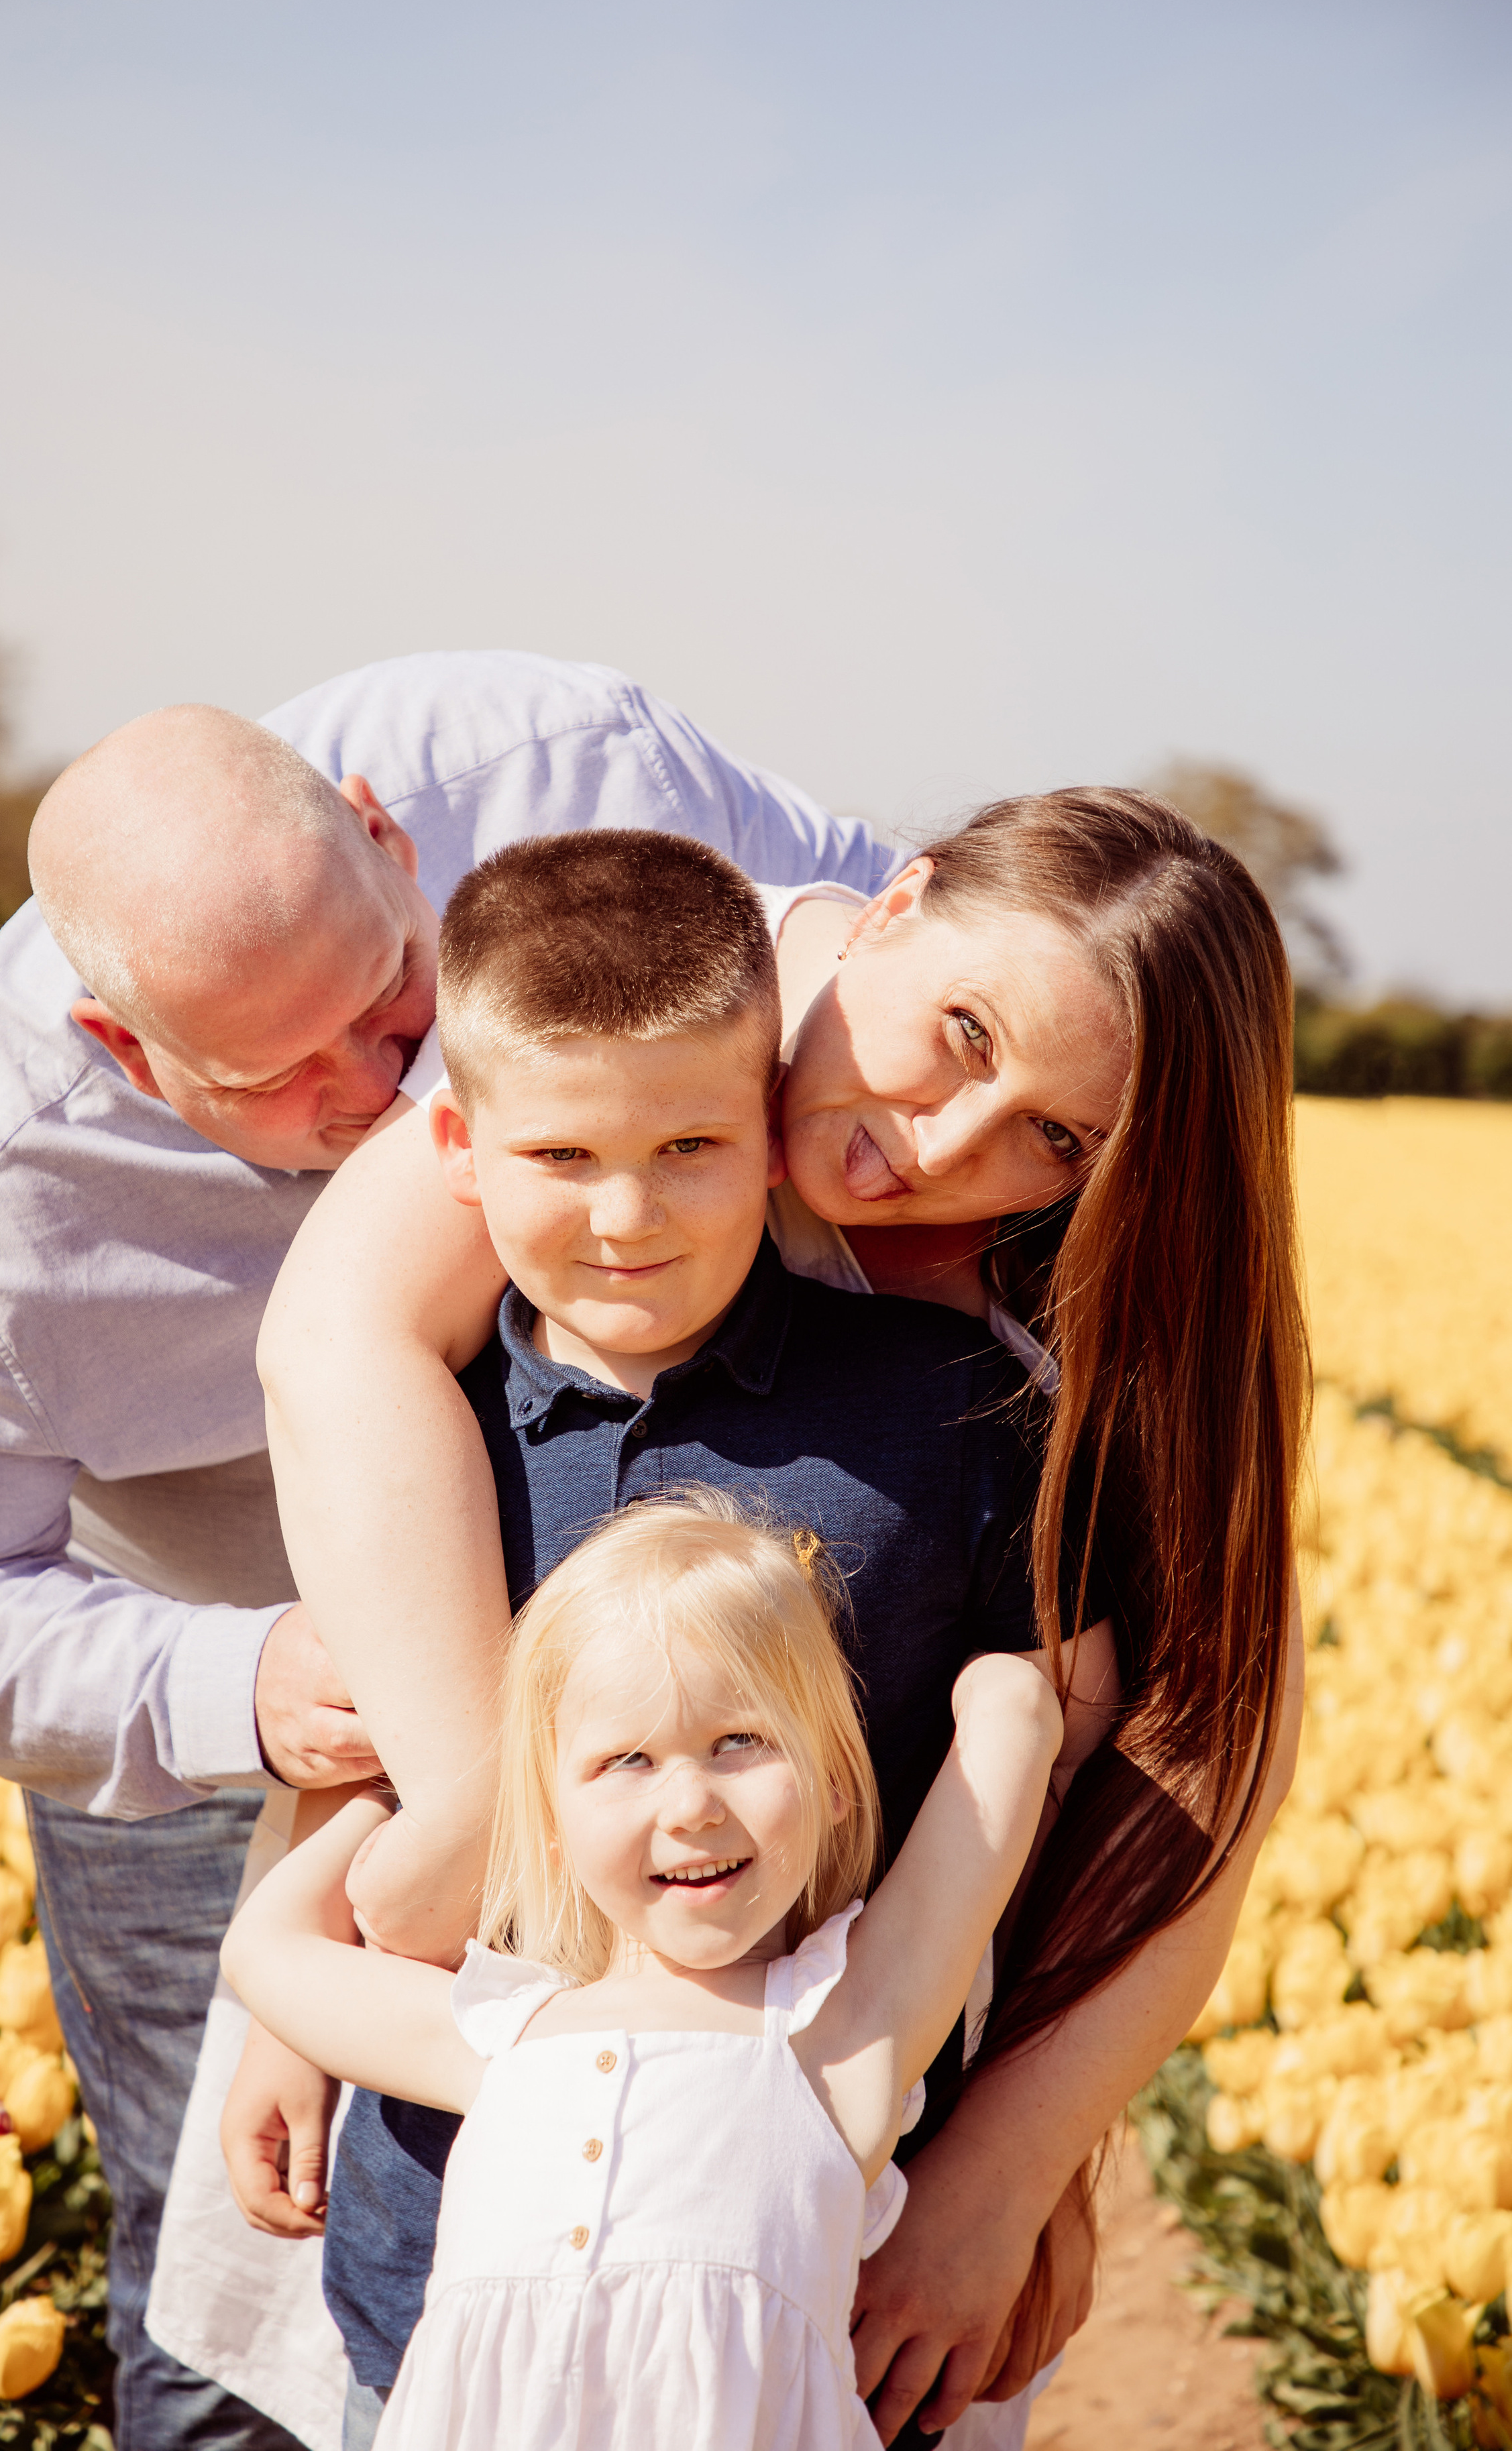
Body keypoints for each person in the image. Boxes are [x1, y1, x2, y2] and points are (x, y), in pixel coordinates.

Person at [0, 650, 892, 2451]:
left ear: (393, 838)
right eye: (277, 1076)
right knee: (238, 2265)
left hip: (663, 1642)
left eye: (393, 993)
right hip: (241, 1696)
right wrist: (250, 1681)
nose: (390, 1090)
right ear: (121, 1053)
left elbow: (876, 956)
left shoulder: (559, 765)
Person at [251, 785, 1309, 2444]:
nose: (944, 1151)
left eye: (1054, 1138)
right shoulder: (634, 1026)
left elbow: (1182, 1761)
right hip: (486, 2215)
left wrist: (1014, 2171)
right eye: (959, 1034)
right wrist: (406, 1879)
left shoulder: (1005, 1368)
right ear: (890, 909)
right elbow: (343, 1390)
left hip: (810, 2200)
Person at [225, 1493, 1065, 2451]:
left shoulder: (843, 2036)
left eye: (741, 1742)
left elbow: (1017, 1710)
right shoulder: (501, 2035)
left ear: (836, 1781)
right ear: (544, 1814)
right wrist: (430, 1793)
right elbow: (269, 1949)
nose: (691, 1805)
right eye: (626, 1760)